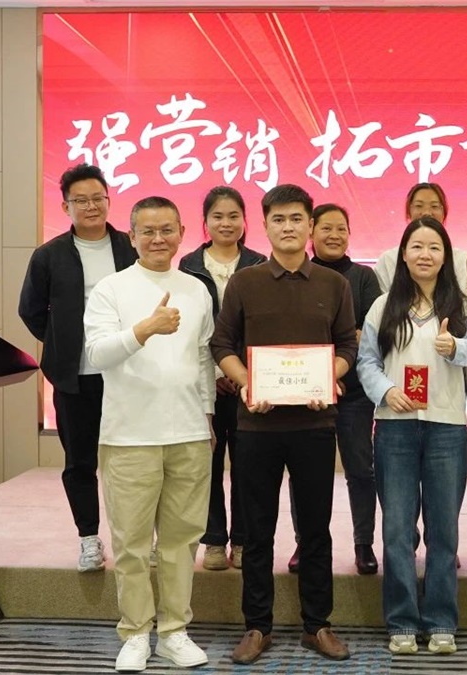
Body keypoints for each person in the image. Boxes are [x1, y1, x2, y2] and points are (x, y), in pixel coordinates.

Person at [210, 184, 357, 665]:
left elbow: (347, 347)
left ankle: (318, 625)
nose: (288, 227)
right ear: (265, 225)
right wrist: (247, 383)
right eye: (279, 219)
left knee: (315, 530)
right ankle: (258, 626)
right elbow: (222, 344)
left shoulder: (333, 285)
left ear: (310, 225)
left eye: (297, 219)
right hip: (257, 427)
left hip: (315, 424)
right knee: (257, 533)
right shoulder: (244, 283)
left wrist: (328, 377)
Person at [83, 197, 215, 671]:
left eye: (167, 230)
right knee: (132, 543)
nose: (158, 239)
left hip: (189, 434)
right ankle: (137, 632)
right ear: (132, 236)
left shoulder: (196, 289)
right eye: (148, 231)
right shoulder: (111, 288)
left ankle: (175, 631)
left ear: (182, 233)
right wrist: (144, 330)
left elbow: (204, 358)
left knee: (181, 541)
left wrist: (207, 417)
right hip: (128, 436)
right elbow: (96, 354)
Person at [358, 216, 467, 656]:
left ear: (445, 256)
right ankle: (402, 622)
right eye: (417, 246)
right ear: (403, 255)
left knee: (443, 530)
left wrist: (455, 347)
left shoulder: (460, 304)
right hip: (395, 427)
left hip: (446, 426)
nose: (425, 254)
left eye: (434, 247)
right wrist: (387, 391)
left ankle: (442, 621)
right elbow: (366, 362)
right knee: (396, 530)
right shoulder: (383, 307)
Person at [18, 163, 137, 573]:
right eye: (81, 200)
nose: (91, 206)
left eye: (97, 198)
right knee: (80, 462)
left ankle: (137, 538)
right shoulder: (49, 256)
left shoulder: (129, 247)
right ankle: (89, 538)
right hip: (75, 378)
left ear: (109, 200)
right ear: (65, 206)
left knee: (133, 461)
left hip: (128, 374)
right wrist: (63, 344)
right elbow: (31, 310)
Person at [286, 204, 382, 575]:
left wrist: (341, 348)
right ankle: (305, 543)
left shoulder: (364, 278)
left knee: (361, 469)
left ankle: (364, 543)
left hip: (354, 391)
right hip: (306, 392)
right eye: (326, 228)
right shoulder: (299, 275)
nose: (334, 235)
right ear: (311, 231)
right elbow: (298, 334)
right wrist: (341, 343)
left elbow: (371, 334)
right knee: (307, 473)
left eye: (341, 228)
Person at [179, 186, 267, 572]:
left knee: (248, 464)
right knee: (208, 463)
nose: (226, 223)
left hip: (250, 380)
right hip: (203, 380)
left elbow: (263, 326)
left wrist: (241, 372)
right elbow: (187, 327)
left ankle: (243, 540)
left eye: (233, 216)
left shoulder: (260, 263)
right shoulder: (187, 266)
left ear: (245, 221)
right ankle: (214, 540)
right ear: (205, 222)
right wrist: (214, 372)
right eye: (218, 216)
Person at [373, 183, 467, 295]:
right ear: (409, 211)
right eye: (419, 206)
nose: (426, 213)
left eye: (434, 206)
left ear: (443, 213)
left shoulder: (463, 260)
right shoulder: (388, 260)